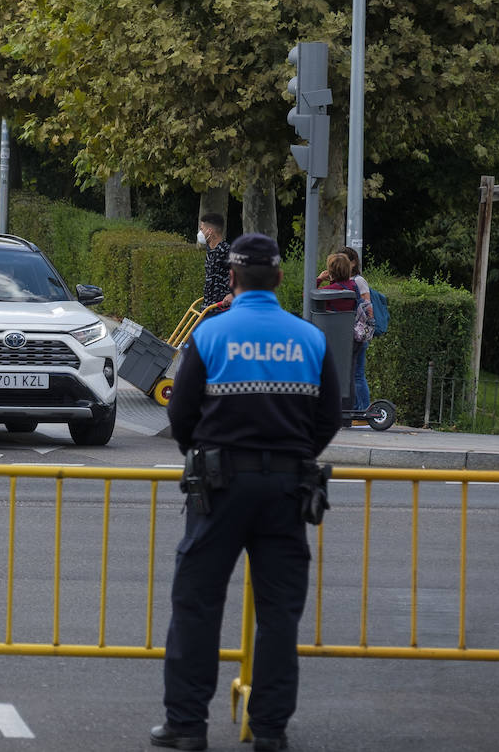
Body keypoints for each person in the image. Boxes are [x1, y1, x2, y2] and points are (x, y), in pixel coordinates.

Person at [150, 233, 342, 752]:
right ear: (280, 279)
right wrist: (293, 453)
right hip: (287, 488)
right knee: (280, 613)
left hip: (218, 485)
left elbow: (180, 415)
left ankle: (187, 726)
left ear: (231, 279)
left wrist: (205, 452)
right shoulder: (309, 338)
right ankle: (270, 730)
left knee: (197, 603)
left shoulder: (211, 334)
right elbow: (328, 418)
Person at [317, 246, 373, 413]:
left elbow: (309, 298)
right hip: (353, 336)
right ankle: (350, 409)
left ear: (331, 271)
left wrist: (319, 279)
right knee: (351, 373)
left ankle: (334, 406)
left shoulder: (327, 291)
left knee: (331, 373)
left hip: (333, 338)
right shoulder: (353, 286)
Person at [197, 213, 232, 311]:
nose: (200, 232)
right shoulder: (210, 251)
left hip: (222, 309)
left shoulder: (227, 251)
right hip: (208, 307)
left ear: (210, 231)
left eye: (202, 229)